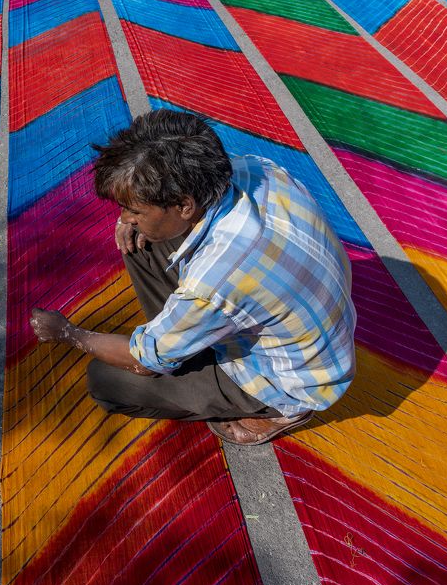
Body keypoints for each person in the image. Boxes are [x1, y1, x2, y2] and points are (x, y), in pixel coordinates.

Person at [30, 109, 356, 445]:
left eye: (135, 209)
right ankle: (182, 337)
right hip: (310, 331)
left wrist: (68, 332)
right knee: (141, 243)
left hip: (292, 379)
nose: (126, 217)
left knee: (105, 381)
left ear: (185, 205)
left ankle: (277, 411)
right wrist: (133, 217)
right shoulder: (257, 168)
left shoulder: (215, 280)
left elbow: (144, 361)